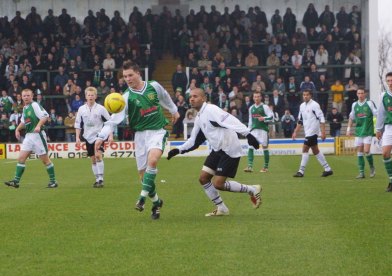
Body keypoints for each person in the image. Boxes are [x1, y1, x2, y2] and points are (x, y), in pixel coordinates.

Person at [95, 61, 180, 219]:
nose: (127, 79)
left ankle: (141, 198)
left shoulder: (153, 86)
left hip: (157, 131)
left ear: (138, 73)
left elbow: (165, 97)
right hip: (140, 136)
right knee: (143, 176)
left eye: (130, 75)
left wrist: (174, 110)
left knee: (152, 161)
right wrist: (101, 136)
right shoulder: (125, 97)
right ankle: (156, 202)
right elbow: (114, 120)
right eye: (125, 76)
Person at [167, 88, 262, 217]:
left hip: (229, 149)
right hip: (217, 150)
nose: (192, 99)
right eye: (190, 96)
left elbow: (230, 120)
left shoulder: (211, 110)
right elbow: (194, 140)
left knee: (218, 184)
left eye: (195, 96)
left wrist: (248, 134)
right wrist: (178, 150)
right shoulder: (199, 117)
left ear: (203, 98)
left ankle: (252, 189)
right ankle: (221, 208)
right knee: (203, 178)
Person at [4, 89, 57, 188]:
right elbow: (24, 122)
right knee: (21, 158)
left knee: (45, 160)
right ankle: (16, 181)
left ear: (32, 96)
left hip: (38, 136)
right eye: (24, 96)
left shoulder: (35, 105)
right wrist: (17, 129)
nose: (26, 97)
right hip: (29, 136)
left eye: (28, 95)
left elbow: (45, 116)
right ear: (21, 97)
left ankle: (53, 181)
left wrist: (38, 126)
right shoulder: (25, 108)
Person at [292, 89, 333, 177]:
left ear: (310, 96)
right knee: (315, 151)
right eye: (304, 95)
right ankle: (327, 169)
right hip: (308, 132)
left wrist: (323, 132)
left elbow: (321, 118)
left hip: (313, 131)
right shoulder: (302, 106)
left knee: (305, 149)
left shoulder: (315, 105)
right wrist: (295, 132)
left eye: (307, 95)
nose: (305, 96)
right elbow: (300, 121)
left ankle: (301, 171)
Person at [75, 87, 111, 188]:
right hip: (87, 137)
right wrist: (77, 137)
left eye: (92, 95)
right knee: (93, 159)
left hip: (99, 136)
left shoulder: (101, 108)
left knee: (98, 155)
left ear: (95, 96)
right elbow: (78, 124)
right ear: (86, 96)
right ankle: (97, 179)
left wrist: (110, 135)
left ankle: (101, 179)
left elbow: (109, 122)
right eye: (88, 95)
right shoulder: (81, 109)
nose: (90, 96)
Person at [376, 72, 392, 192]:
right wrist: (378, 129)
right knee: (385, 153)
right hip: (389, 128)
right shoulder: (384, 96)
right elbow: (381, 113)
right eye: (388, 81)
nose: (390, 83)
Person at [346, 88, 377, 179]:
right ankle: (361, 173)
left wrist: (379, 128)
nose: (360, 95)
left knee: (366, 151)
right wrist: (348, 129)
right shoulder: (354, 105)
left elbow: (376, 114)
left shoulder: (369, 103)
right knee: (359, 152)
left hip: (368, 131)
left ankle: (371, 167)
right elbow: (351, 117)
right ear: (356, 94)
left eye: (362, 93)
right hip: (359, 131)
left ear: (365, 94)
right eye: (359, 93)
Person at [244, 91, 274, 173]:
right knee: (250, 146)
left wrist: (264, 118)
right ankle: (250, 166)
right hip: (254, 131)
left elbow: (271, 117)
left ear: (261, 97)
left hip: (263, 130)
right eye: (255, 97)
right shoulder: (251, 108)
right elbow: (250, 121)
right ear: (253, 98)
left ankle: (266, 167)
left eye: (258, 97)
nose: (256, 98)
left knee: (264, 147)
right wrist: (248, 131)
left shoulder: (265, 107)